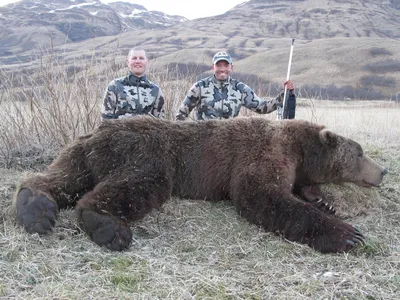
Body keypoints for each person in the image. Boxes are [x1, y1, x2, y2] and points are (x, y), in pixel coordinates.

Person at [175, 51, 296, 121]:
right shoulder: (199, 87)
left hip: (229, 145)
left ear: (231, 68)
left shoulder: (240, 89)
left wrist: (284, 95)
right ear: (213, 67)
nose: (222, 69)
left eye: (225, 65)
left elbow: (263, 107)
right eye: (219, 65)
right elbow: (181, 114)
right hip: (202, 143)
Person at [101, 48, 165, 119]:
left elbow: (159, 121)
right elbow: (106, 119)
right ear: (128, 62)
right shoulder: (115, 86)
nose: (137, 61)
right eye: (134, 58)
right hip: (119, 129)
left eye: (141, 58)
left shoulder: (156, 90)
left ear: (147, 62)